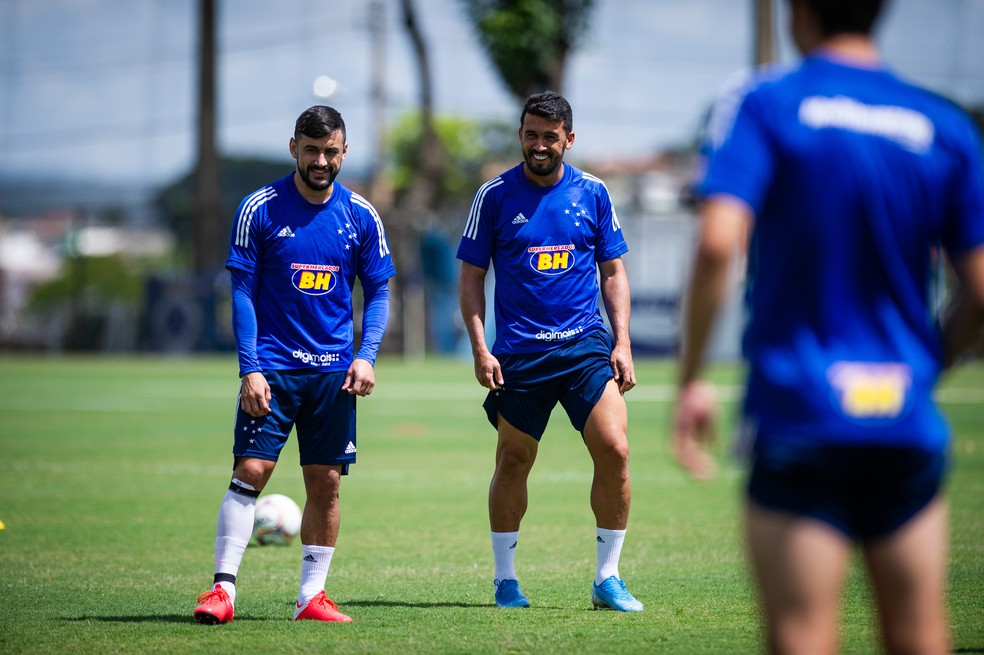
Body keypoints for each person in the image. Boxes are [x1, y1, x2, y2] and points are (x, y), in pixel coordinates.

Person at [673, 0, 984, 653]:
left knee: (802, 636)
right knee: (921, 635)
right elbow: (979, 288)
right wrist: (928, 362)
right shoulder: (945, 125)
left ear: (799, 11)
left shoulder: (768, 104)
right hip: (902, 418)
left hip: (801, 413)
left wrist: (692, 377)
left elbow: (717, 244)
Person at [193, 105, 396, 624]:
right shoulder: (258, 209)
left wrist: (366, 356)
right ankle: (222, 591)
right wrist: (250, 368)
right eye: (311, 151)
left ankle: (311, 597)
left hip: (333, 375)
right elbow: (241, 293)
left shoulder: (361, 215)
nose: (321, 161)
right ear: (294, 149)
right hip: (273, 368)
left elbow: (378, 292)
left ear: (344, 151)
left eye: (330, 151)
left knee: (326, 482)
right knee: (251, 471)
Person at [457, 91, 643, 612]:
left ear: (569, 139)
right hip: (520, 355)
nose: (540, 145)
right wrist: (480, 347)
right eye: (532, 135)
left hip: (584, 347)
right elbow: (471, 277)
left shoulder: (594, 192)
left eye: (550, 137)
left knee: (616, 448)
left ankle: (608, 577)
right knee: (514, 460)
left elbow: (613, 271)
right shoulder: (493, 196)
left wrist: (622, 342)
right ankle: (505, 579)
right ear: (521, 135)